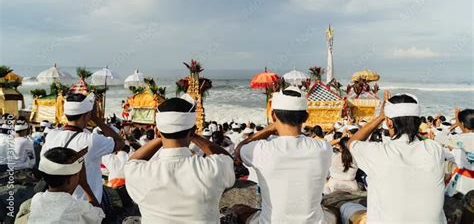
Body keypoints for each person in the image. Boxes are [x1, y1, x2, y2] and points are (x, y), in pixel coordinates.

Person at [124, 96, 235, 223]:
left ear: (157, 131)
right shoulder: (213, 169)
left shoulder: (138, 173)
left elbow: (133, 161)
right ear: (193, 131)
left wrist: (163, 135)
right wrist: (194, 136)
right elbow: (227, 158)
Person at [234, 87, 334, 224]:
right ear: (306, 116)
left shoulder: (261, 150)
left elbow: (238, 150)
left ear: (273, 115)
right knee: (332, 210)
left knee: (239, 209)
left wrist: (270, 128)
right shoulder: (323, 148)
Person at [347, 92, 446, 223]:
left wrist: (380, 117)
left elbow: (351, 143)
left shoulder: (378, 152)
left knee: (347, 208)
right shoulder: (435, 150)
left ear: (389, 122)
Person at [41, 90, 124, 204]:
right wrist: (96, 119)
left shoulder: (52, 135)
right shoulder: (91, 140)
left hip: (55, 200)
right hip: (85, 203)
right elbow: (120, 142)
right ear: (87, 115)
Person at [25, 147, 105, 223]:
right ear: (69, 180)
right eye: (77, 174)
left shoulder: (37, 199)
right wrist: (85, 184)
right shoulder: (78, 209)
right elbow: (99, 215)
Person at [445, 108, 473, 196]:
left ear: (462, 124)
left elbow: (439, 138)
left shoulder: (458, 139)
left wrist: (454, 125)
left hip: (462, 182)